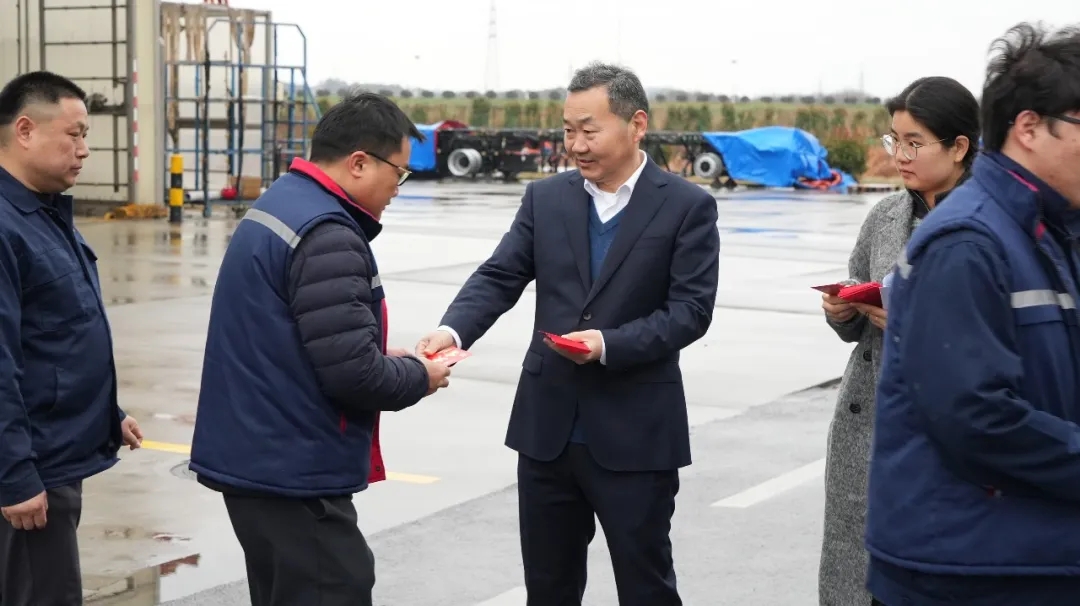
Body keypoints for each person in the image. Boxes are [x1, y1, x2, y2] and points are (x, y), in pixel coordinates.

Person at [415, 62, 720, 605]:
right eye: (568, 129)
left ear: (637, 124)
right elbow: (500, 274)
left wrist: (609, 346)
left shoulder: (686, 206)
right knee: (548, 589)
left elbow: (690, 312)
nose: (575, 145)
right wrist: (452, 329)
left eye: (589, 130)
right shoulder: (546, 198)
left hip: (636, 436)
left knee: (646, 586)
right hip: (547, 431)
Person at [188, 92, 452, 606]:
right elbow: (355, 376)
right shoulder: (327, 233)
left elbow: (311, 342)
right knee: (334, 587)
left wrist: (382, 357)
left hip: (261, 459)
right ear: (359, 163)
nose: (397, 188)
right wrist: (421, 375)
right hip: (292, 472)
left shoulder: (283, 204)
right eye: (398, 173)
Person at [865, 23, 1080, 606]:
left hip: (1024, 555)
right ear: (1029, 128)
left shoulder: (1049, 231)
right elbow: (974, 415)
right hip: (967, 569)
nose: (902, 154)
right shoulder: (969, 241)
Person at [817, 76, 979, 606]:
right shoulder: (886, 215)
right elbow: (858, 312)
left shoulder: (988, 221)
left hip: (945, 425)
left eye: (914, 143)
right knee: (858, 575)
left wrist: (913, 322)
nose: (899, 156)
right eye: (894, 140)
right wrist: (843, 310)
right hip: (871, 422)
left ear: (959, 147)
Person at [0, 70, 143, 605]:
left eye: (86, 136)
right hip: (29, 466)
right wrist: (14, 476)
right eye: (74, 134)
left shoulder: (44, 213)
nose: (84, 149)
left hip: (51, 454)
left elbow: (56, 336)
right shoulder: (6, 225)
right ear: (25, 130)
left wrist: (108, 412)